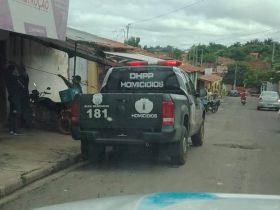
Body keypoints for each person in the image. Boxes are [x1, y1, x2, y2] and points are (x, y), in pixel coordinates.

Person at [5, 62, 23, 135]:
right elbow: (21, 87)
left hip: (11, 98)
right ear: (13, 70)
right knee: (16, 114)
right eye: (15, 70)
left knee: (12, 114)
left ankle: (11, 130)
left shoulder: (7, 77)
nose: (16, 71)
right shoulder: (15, 79)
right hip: (15, 99)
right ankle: (15, 131)